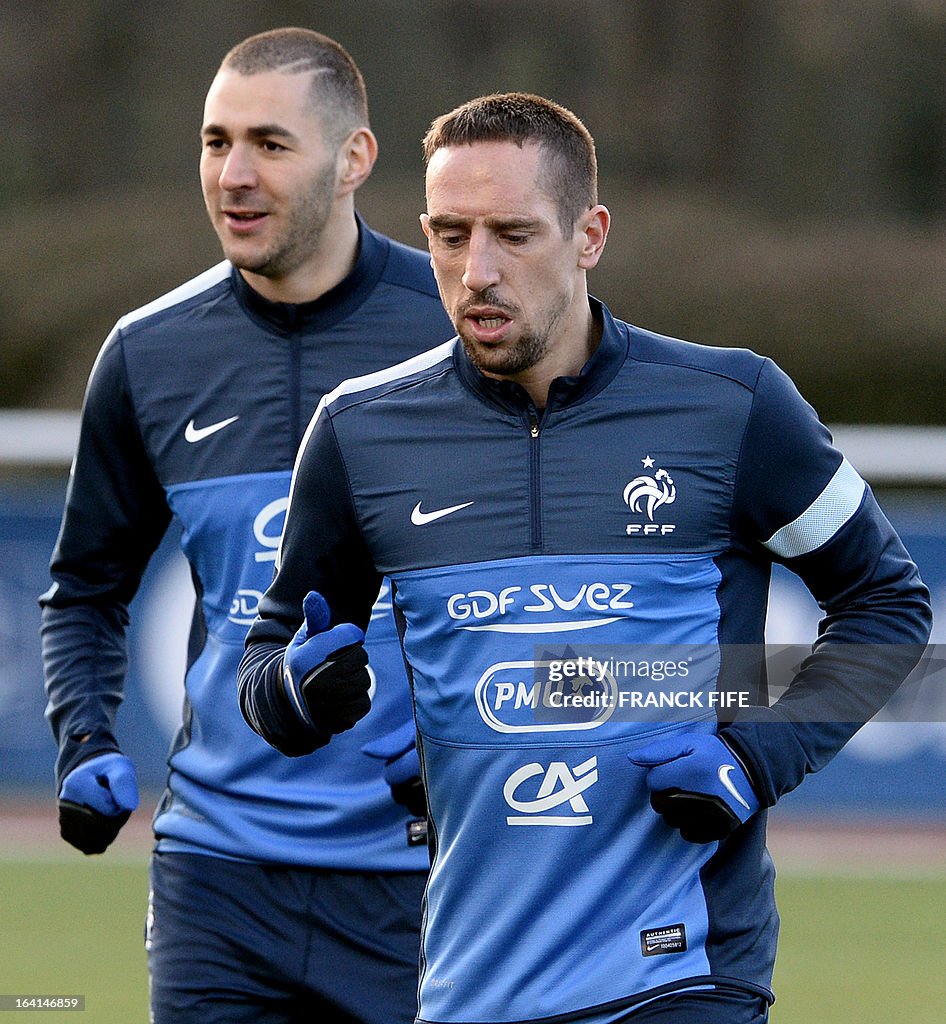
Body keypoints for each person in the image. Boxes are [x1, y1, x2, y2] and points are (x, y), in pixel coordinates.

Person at [236, 91, 932, 1024]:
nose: (476, 270)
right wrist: (293, 693)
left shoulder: (732, 405)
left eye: (513, 234)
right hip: (471, 983)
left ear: (590, 233)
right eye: (449, 235)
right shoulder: (361, 432)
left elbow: (888, 608)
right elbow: (269, 660)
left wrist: (752, 756)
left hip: (681, 975)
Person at [40, 27, 453, 1024]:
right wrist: (85, 733)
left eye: (270, 143)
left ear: (354, 159)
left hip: (426, 879)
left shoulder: (462, 329)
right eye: (215, 141)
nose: (233, 173)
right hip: (215, 879)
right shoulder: (146, 354)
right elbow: (86, 589)